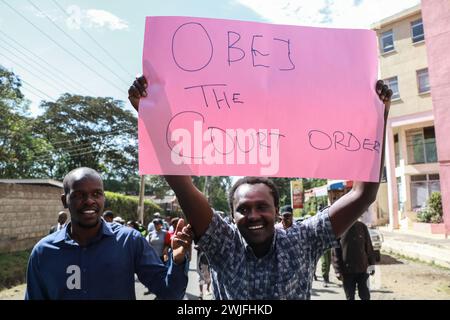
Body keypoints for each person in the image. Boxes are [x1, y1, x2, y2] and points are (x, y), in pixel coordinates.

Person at [128, 76, 392, 299]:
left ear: (277, 211)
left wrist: (378, 115)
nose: (253, 214)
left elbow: (363, 194)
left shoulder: (303, 240)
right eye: (243, 209)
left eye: (261, 207)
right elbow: (181, 183)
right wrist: (150, 113)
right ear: (231, 217)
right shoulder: (224, 243)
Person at [25, 167, 192, 300]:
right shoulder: (43, 252)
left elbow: (170, 293)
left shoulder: (129, 241)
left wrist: (177, 260)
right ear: (64, 200)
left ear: (103, 198)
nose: (89, 200)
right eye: (79, 195)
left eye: (96, 194)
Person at [331, 220, 376, 300]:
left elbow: (368, 247)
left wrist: (372, 264)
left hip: (362, 269)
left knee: (365, 295)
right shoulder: (340, 228)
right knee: (350, 296)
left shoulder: (362, 226)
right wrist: (337, 270)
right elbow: (335, 251)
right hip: (347, 271)